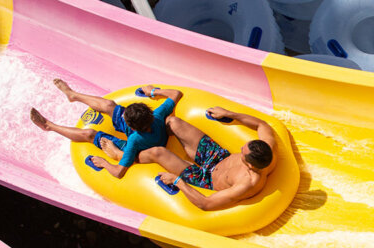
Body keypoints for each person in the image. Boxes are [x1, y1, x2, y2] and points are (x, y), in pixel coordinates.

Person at [29, 80, 181, 178]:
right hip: (146, 130)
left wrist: (104, 163)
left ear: (129, 126)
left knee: (89, 133)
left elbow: (118, 172)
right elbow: (176, 94)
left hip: (138, 145)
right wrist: (152, 92)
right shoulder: (157, 115)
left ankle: (49, 126)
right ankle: (72, 95)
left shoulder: (133, 142)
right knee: (109, 105)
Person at [148, 106, 278, 211]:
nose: (240, 149)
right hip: (219, 156)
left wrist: (177, 181)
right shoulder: (268, 148)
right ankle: (142, 133)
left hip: (205, 179)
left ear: (250, 165)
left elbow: (205, 204)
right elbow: (262, 125)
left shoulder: (247, 184)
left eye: (242, 153)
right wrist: (229, 113)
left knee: (157, 152)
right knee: (173, 122)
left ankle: (129, 151)